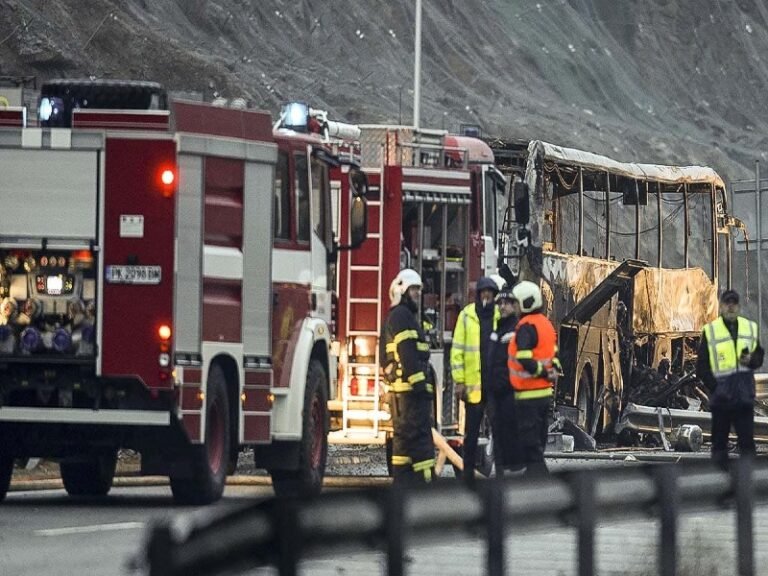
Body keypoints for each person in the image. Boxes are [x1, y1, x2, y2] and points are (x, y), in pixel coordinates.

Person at [696, 289, 764, 471]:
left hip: (743, 398)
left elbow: (759, 357)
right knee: (719, 445)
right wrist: (716, 388)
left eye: (734, 303)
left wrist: (752, 360)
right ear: (721, 307)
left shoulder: (749, 328)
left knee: (747, 445)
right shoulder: (711, 331)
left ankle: (747, 483)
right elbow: (701, 367)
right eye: (727, 303)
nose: (731, 307)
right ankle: (720, 482)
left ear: (739, 306)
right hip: (722, 400)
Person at [380, 268, 436, 485]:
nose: (417, 294)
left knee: (404, 446)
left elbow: (385, 358)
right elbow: (408, 354)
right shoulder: (402, 316)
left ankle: (403, 485)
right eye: (413, 290)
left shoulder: (399, 316)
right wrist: (421, 387)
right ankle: (424, 487)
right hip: (411, 396)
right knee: (421, 444)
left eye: (418, 290)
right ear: (401, 291)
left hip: (403, 397)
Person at [506, 280, 561, 476]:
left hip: (528, 394)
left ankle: (540, 479)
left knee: (530, 444)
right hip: (544, 394)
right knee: (538, 440)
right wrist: (552, 371)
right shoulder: (546, 324)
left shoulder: (526, 326)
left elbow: (524, 358)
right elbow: (554, 356)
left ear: (525, 302)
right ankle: (533, 479)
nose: (514, 307)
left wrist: (542, 372)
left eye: (516, 303)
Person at [450, 275, 500, 486]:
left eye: (490, 292)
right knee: (470, 436)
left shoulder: (499, 316)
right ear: (479, 294)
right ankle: (467, 477)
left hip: (495, 388)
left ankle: (501, 477)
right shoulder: (467, 315)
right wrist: (459, 381)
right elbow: (457, 350)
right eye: (483, 292)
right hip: (474, 390)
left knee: (499, 434)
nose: (486, 296)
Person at [487, 286, 521, 477]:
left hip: (509, 392)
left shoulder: (515, 330)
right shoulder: (498, 329)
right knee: (498, 434)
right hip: (495, 393)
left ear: (514, 306)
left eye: (506, 303)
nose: (502, 307)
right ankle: (501, 473)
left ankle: (510, 476)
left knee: (508, 435)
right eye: (500, 303)